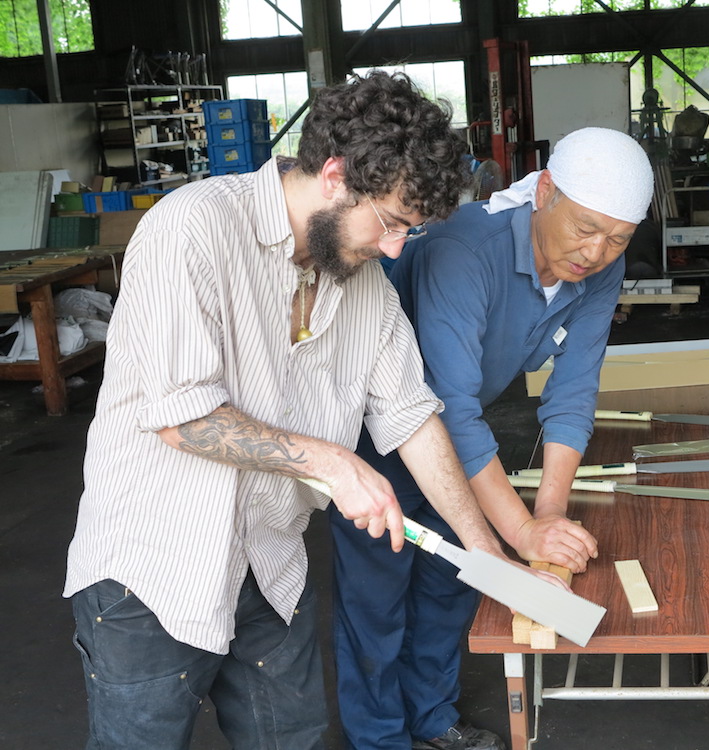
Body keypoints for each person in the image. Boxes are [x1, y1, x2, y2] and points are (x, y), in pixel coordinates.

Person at [63, 70, 513, 749]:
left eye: (409, 233)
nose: (395, 248)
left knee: (295, 739)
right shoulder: (193, 230)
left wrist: (482, 549)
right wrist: (331, 461)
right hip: (149, 575)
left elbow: (412, 416)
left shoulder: (363, 285)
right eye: (391, 223)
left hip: (270, 569)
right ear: (334, 173)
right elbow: (183, 418)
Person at [331, 127, 655, 750]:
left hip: (464, 443)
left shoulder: (597, 269)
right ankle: (379, 740)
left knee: (450, 586)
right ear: (546, 193)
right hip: (383, 438)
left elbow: (572, 390)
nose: (596, 251)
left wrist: (548, 520)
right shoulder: (464, 246)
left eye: (617, 239)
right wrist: (517, 533)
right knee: (377, 601)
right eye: (585, 228)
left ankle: (430, 718)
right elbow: (447, 407)